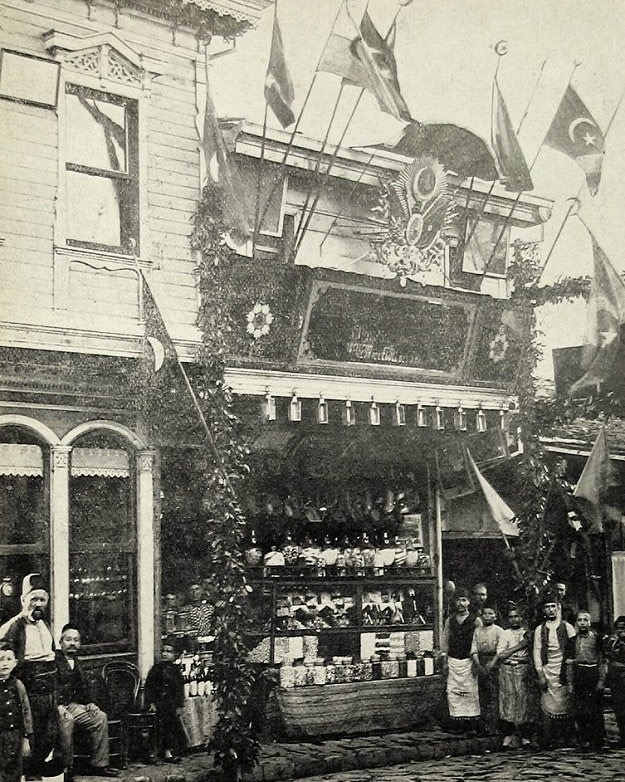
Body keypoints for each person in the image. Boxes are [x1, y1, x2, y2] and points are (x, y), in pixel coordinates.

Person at [0, 573, 59, 776]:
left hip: (49, 690)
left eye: (42, 599)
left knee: (49, 736)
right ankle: (29, 775)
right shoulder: (13, 626)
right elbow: (4, 659)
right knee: (30, 737)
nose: (38, 604)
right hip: (29, 690)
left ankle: (36, 772)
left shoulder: (45, 625)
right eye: (34, 599)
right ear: (23, 600)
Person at [56, 624, 118, 779]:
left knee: (99, 717)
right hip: (56, 707)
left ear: (80, 644)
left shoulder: (76, 662)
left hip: (72, 705)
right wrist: (57, 705)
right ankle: (65, 768)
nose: (72, 643)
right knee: (67, 721)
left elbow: (83, 687)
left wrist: (90, 702)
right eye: (68, 639)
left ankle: (99, 765)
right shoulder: (53, 661)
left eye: (76, 640)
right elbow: (50, 686)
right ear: (60, 642)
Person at [532, 591, 575, 749]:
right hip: (547, 669)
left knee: (566, 703)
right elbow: (537, 651)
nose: (550, 610)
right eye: (547, 607)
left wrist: (570, 672)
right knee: (548, 704)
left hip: (563, 669)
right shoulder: (540, 629)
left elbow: (573, 651)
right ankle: (549, 739)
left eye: (553, 606)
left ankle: (567, 737)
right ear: (543, 610)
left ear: (558, 608)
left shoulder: (567, 627)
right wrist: (540, 674)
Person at [494, 604, 537, 748]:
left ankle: (525, 736)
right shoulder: (505, 634)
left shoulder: (528, 633)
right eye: (511, 617)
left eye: (516, 616)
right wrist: (520, 646)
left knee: (524, 703)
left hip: (523, 670)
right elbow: (501, 654)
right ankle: (508, 736)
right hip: (507, 672)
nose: (514, 620)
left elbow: (530, 656)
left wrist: (517, 656)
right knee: (507, 703)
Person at [562, 610, 606, 751]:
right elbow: (568, 663)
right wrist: (569, 683)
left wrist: (601, 680)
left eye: (585, 620)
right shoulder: (572, 641)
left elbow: (602, 661)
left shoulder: (597, 639)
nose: (582, 623)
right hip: (579, 674)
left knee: (595, 709)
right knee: (581, 710)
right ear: (576, 623)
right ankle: (585, 739)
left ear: (590, 622)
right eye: (579, 620)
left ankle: (598, 740)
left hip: (592, 674)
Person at [441, 588, 480, 733]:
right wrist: (444, 661)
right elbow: (445, 642)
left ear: (469, 602)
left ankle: (471, 725)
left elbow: (478, 642)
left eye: (464, 600)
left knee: (470, 693)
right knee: (454, 693)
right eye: (458, 600)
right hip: (453, 661)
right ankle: (456, 724)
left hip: (468, 662)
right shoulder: (450, 621)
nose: (461, 603)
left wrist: (477, 663)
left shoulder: (476, 621)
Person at [144, 637, 186, 763]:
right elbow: (149, 687)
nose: (165, 654)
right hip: (158, 704)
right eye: (163, 651)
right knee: (157, 727)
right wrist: (151, 702)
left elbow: (179, 689)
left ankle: (168, 752)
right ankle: (153, 753)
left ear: (176, 655)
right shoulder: (156, 669)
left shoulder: (176, 671)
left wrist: (179, 705)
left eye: (169, 651)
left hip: (171, 704)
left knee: (171, 726)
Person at [0, 640, 33, 782]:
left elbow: (26, 712)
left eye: (9, 659)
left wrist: (26, 738)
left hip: (15, 736)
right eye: (0, 659)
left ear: (15, 662)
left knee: (15, 771)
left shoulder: (18, 685)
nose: (5, 663)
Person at [470, 604, 503, 735]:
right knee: (482, 695)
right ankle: (483, 726)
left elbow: (500, 650)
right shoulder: (477, 631)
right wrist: (478, 665)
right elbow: (474, 649)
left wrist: (492, 664)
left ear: (495, 616)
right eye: (485, 614)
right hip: (481, 662)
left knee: (494, 694)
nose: (488, 616)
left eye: (491, 614)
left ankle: (495, 726)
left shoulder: (499, 631)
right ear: (481, 616)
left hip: (494, 663)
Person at [605, 615, 625, 747]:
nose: (621, 631)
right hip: (616, 680)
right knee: (619, 708)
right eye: (618, 628)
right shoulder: (613, 643)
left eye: (623, 628)